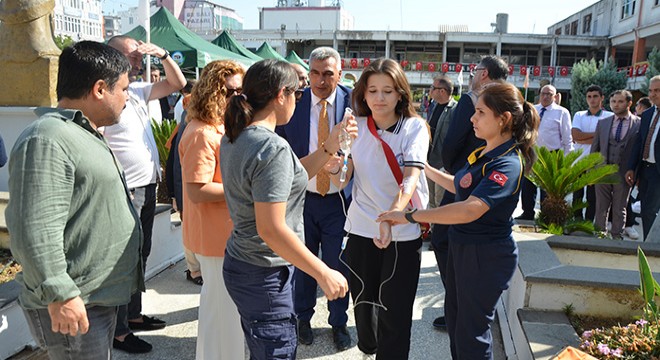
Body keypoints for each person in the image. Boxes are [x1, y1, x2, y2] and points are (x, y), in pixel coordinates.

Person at [378, 82, 539, 360]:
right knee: (456, 322)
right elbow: (460, 185)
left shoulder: (508, 163)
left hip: (485, 255)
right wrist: (422, 167)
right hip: (464, 249)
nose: (472, 119)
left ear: (504, 119)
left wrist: (411, 216)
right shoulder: (486, 154)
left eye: (480, 113)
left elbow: (469, 209)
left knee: (471, 333)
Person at [6, 41, 142, 360]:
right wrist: (61, 294)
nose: (128, 97)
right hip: (74, 301)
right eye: (123, 88)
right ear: (99, 89)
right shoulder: (48, 138)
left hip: (93, 299)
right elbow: (33, 228)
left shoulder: (79, 132)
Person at [220, 59, 352, 360]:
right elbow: (271, 228)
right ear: (282, 95)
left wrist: (329, 147)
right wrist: (323, 272)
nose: (299, 99)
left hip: (244, 262)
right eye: (299, 93)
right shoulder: (271, 147)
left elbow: (291, 176)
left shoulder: (237, 135)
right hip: (263, 272)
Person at [331, 58, 429, 359]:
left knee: (395, 313)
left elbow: (411, 177)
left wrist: (392, 216)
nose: (379, 98)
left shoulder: (414, 127)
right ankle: (369, 350)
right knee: (364, 305)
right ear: (363, 94)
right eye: (372, 90)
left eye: (388, 91)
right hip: (361, 227)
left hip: (401, 230)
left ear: (400, 93)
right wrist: (336, 166)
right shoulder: (354, 127)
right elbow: (343, 178)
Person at [106, 35, 186, 353]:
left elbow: (177, 82)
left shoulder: (135, 91)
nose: (139, 60)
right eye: (132, 55)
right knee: (126, 261)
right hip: (126, 191)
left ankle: (133, 316)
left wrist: (164, 54)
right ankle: (120, 331)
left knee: (140, 256)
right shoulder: (107, 95)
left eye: (140, 56)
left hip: (147, 187)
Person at [275, 46, 352, 350]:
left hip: (338, 201)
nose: (321, 80)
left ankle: (339, 323)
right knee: (303, 263)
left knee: (337, 263)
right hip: (302, 200)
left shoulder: (354, 104)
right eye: (315, 73)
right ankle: (302, 319)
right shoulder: (294, 102)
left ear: (339, 74)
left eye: (328, 74)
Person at [433, 55, 508, 330]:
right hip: (470, 181)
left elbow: (452, 142)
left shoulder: (474, 99)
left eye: (476, 70)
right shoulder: (506, 99)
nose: (476, 118)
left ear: (484, 73)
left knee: (446, 240)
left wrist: (456, 171)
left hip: (468, 182)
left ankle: (456, 305)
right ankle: (458, 306)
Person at [178, 60, 245, 359]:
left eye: (243, 91)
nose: (239, 97)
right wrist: (246, 192)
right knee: (221, 316)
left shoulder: (215, 126)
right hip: (214, 239)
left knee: (223, 316)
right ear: (214, 91)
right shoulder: (202, 133)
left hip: (222, 236)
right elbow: (196, 190)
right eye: (231, 91)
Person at [518, 84, 573, 220]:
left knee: (547, 189)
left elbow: (567, 138)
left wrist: (567, 160)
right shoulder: (533, 110)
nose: (546, 96)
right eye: (543, 93)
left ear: (555, 97)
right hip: (532, 153)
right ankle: (528, 213)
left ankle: (545, 215)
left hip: (551, 155)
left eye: (549, 94)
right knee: (528, 186)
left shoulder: (562, 112)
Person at [591, 90, 640, 239]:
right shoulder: (603, 123)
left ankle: (617, 236)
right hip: (603, 171)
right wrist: (592, 172)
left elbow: (640, 150)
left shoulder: (639, 123)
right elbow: (595, 148)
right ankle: (600, 234)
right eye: (613, 102)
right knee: (601, 206)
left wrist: (637, 173)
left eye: (620, 101)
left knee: (620, 207)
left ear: (629, 103)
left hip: (624, 172)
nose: (616, 105)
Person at [571, 85, 613, 221]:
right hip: (580, 161)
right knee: (577, 193)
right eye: (589, 97)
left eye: (595, 96)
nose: (592, 100)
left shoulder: (610, 116)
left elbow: (608, 139)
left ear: (602, 98)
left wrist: (585, 137)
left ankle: (589, 221)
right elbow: (575, 136)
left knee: (592, 195)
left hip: (597, 163)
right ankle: (577, 219)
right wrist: (599, 136)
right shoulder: (579, 115)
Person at [626, 75, 660, 240]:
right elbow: (639, 143)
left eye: (657, 90)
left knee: (649, 210)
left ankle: (651, 246)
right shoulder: (647, 115)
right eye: (651, 91)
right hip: (645, 169)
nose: (653, 94)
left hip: (657, 172)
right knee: (646, 209)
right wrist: (632, 167)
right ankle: (649, 243)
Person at [427, 75, 457, 208]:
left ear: (442, 91)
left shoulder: (455, 109)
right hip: (429, 161)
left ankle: (438, 228)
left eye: (433, 87)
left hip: (443, 164)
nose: (430, 90)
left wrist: (449, 165)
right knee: (429, 199)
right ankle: (430, 228)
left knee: (441, 201)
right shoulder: (434, 106)